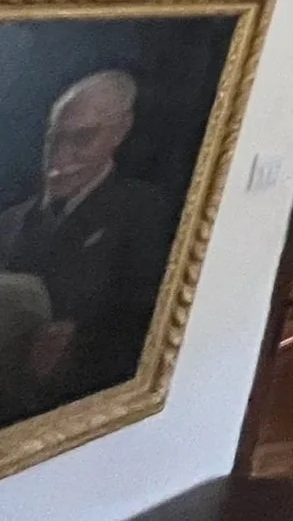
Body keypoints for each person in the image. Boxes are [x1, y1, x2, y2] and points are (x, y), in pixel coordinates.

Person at [0, 70, 173, 417]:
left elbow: (150, 317)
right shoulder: (9, 222)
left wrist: (79, 343)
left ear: (120, 132)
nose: (61, 156)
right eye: (54, 139)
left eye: (83, 138)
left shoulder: (146, 215)